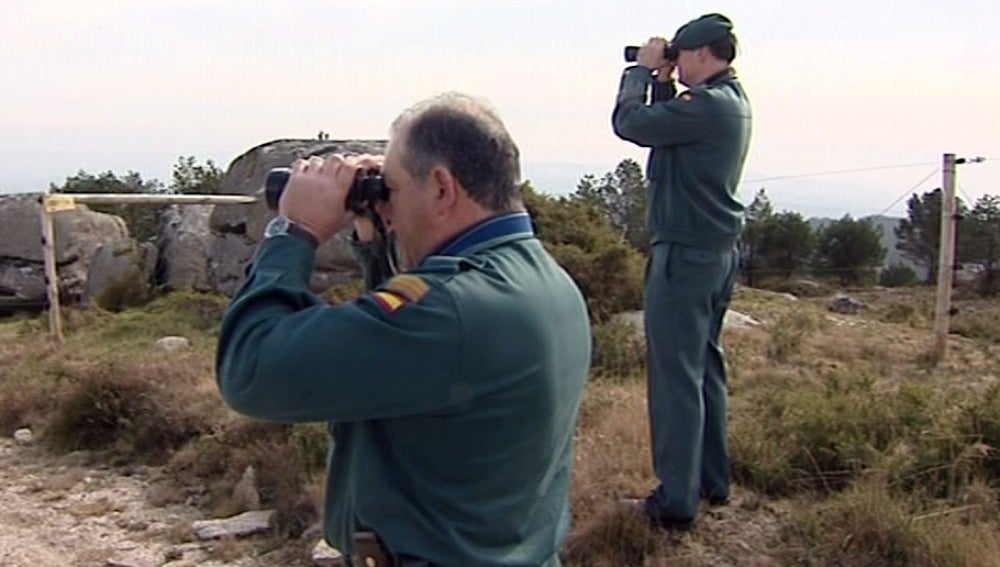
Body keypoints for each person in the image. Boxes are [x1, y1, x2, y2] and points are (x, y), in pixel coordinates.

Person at [216, 92, 591, 567]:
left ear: (440, 188)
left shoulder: (451, 311)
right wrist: (378, 244)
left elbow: (250, 371)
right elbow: (402, 357)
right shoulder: (543, 281)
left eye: (390, 190)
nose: (386, 207)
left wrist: (294, 232)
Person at [611, 13, 752, 529]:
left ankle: (674, 502)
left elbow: (632, 125)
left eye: (679, 57)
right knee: (705, 370)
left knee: (676, 378)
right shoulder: (728, 102)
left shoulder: (707, 106)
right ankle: (711, 482)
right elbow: (671, 134)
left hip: (686, 257)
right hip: (713, 255)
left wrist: (641, 77)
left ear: (698, 54)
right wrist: (665, 86)